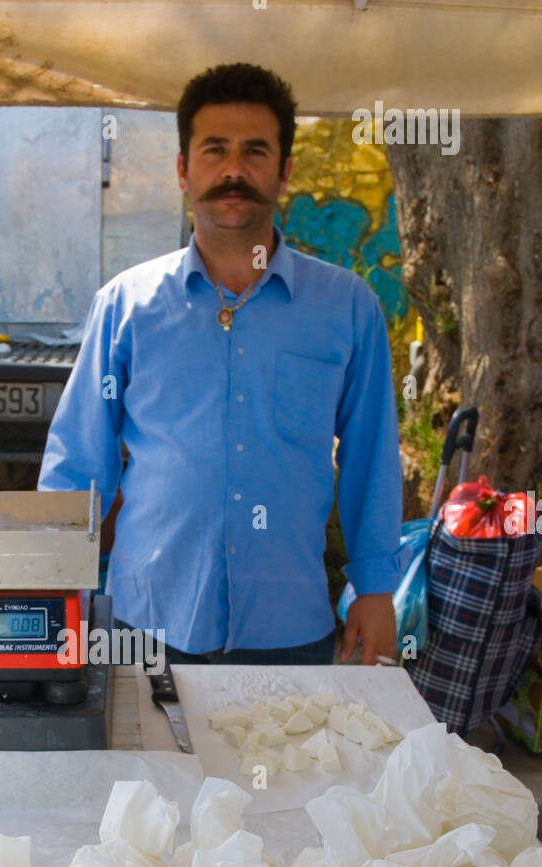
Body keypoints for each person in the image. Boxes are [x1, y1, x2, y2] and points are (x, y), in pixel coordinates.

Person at [38, 63, 403, 666]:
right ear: (184, 169)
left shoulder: (345, 308)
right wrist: (53, 587)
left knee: (292, 763)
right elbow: (80, 463)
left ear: (284, 170)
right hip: (147, 624)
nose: (234, 170)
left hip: (288, 626)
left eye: (255, 151)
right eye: (215, 150)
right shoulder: (127, 306)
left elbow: (371, 458)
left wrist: (376, 588)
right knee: (143, 765)